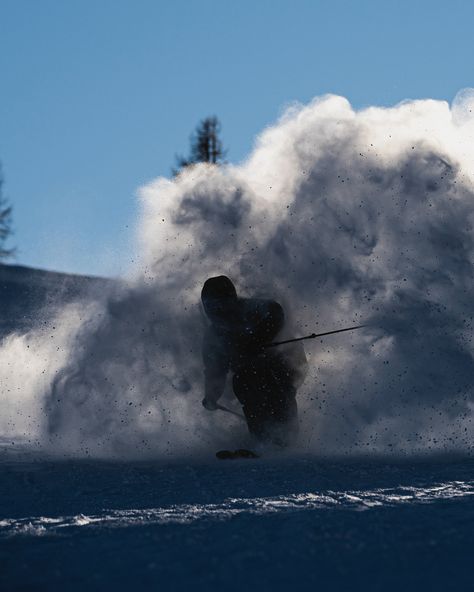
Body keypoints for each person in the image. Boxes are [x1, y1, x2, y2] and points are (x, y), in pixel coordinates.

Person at [201, 275, 307, 445]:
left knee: (276, 388)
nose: (216, 310)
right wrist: (211, 395)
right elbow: (215, 369)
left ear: (231, 300)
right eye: (210, 305)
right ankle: (262, 439)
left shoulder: (250, 309)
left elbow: (275, 311)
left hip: (284, 362)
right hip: (248, 373)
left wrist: (258, 340)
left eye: (220, 304)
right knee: (245, 382)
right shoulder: (214, 336)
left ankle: (288, 438)